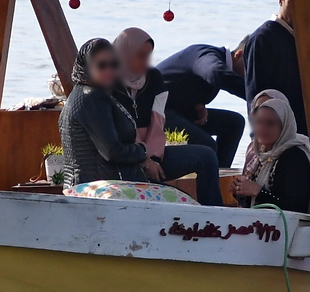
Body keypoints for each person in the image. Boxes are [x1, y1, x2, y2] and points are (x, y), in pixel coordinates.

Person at [112, 28, 224, 206]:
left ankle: (216, 215)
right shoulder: (109, 82)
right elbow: (115, 134)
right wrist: (143, 160)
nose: (145, 61)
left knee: (206, 155)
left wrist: (154, 158)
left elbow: (157, 121)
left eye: (148, 55)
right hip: (125, 158)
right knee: (174, 198)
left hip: (152, 153)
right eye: (139, 55)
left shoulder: (154, 78)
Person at [59, 38, 160, 188]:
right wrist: (143, 150)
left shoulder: (86, 93)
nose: (109, 71)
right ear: (86, 66)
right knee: (184, 205)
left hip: (94, 186)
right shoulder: (91, 98)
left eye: (114, 65)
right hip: (100, 191)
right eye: (102, 65)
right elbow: (112, 152)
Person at [156, 42, 247, 169]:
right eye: (251, 67)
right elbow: (215, 72)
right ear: (239, 54)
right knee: (207, 145)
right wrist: (254, 95)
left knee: (234, 123)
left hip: (175, 109)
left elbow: (180, 84)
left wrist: (196, 102)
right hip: (155, 112)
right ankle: (207, 184)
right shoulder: (207, 54)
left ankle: (219, 177)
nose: (253, 74)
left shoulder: (215, 58)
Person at [238, 0, 307, 134]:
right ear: (281, 0)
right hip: (277, 138)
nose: (299, 10)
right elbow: (257, 95)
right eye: (293, 3)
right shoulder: (263, 39)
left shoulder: (304, 40)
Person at [229, 95, 310, 213]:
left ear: (284, 127)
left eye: (270, 124)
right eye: (259, 122)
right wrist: (239, 191)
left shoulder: (293, 157)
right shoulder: (263, 156)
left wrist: (258, 191)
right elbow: (257, 203)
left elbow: (295, 207)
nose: (263, 129)